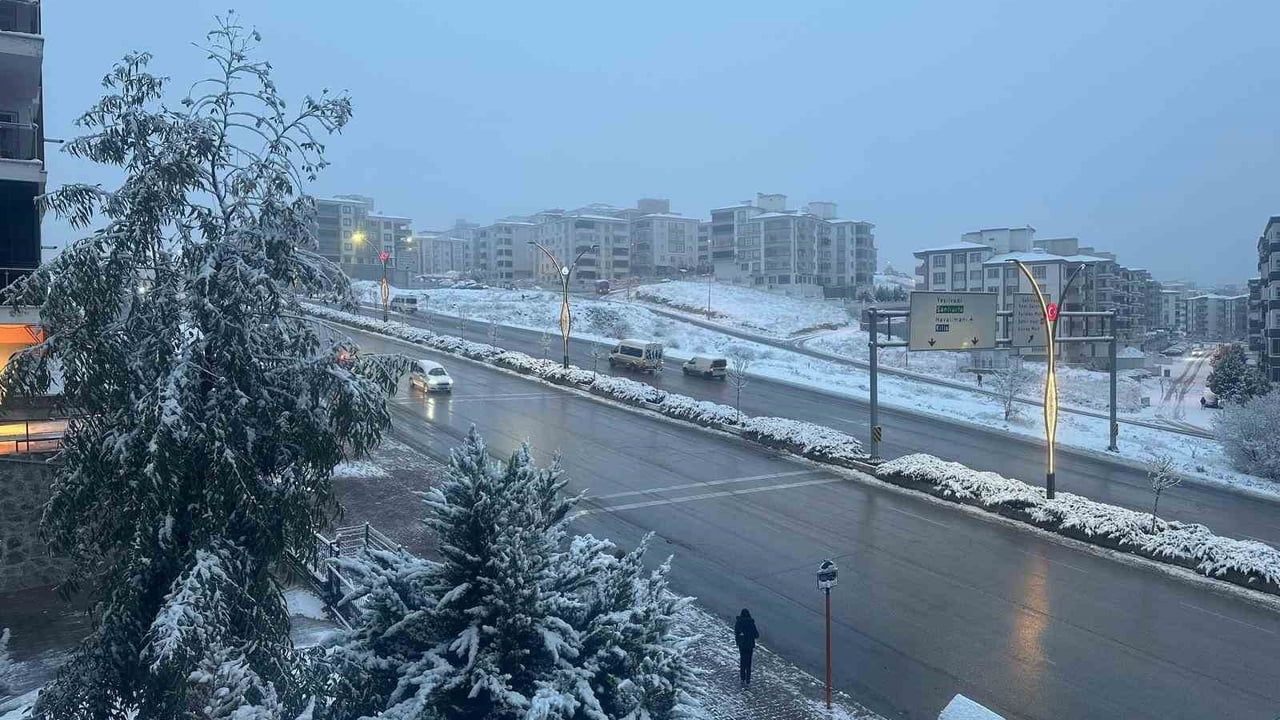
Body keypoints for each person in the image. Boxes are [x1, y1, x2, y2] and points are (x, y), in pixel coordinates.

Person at [734, 608, 759, 688]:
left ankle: (742, 678)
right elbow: (756, 635)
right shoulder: (751, 623)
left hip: (742, 645)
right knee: (748, 663)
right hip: (750, 645)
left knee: (742, 661)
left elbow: (736, 633)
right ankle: (748, 680)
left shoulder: (739, 622)